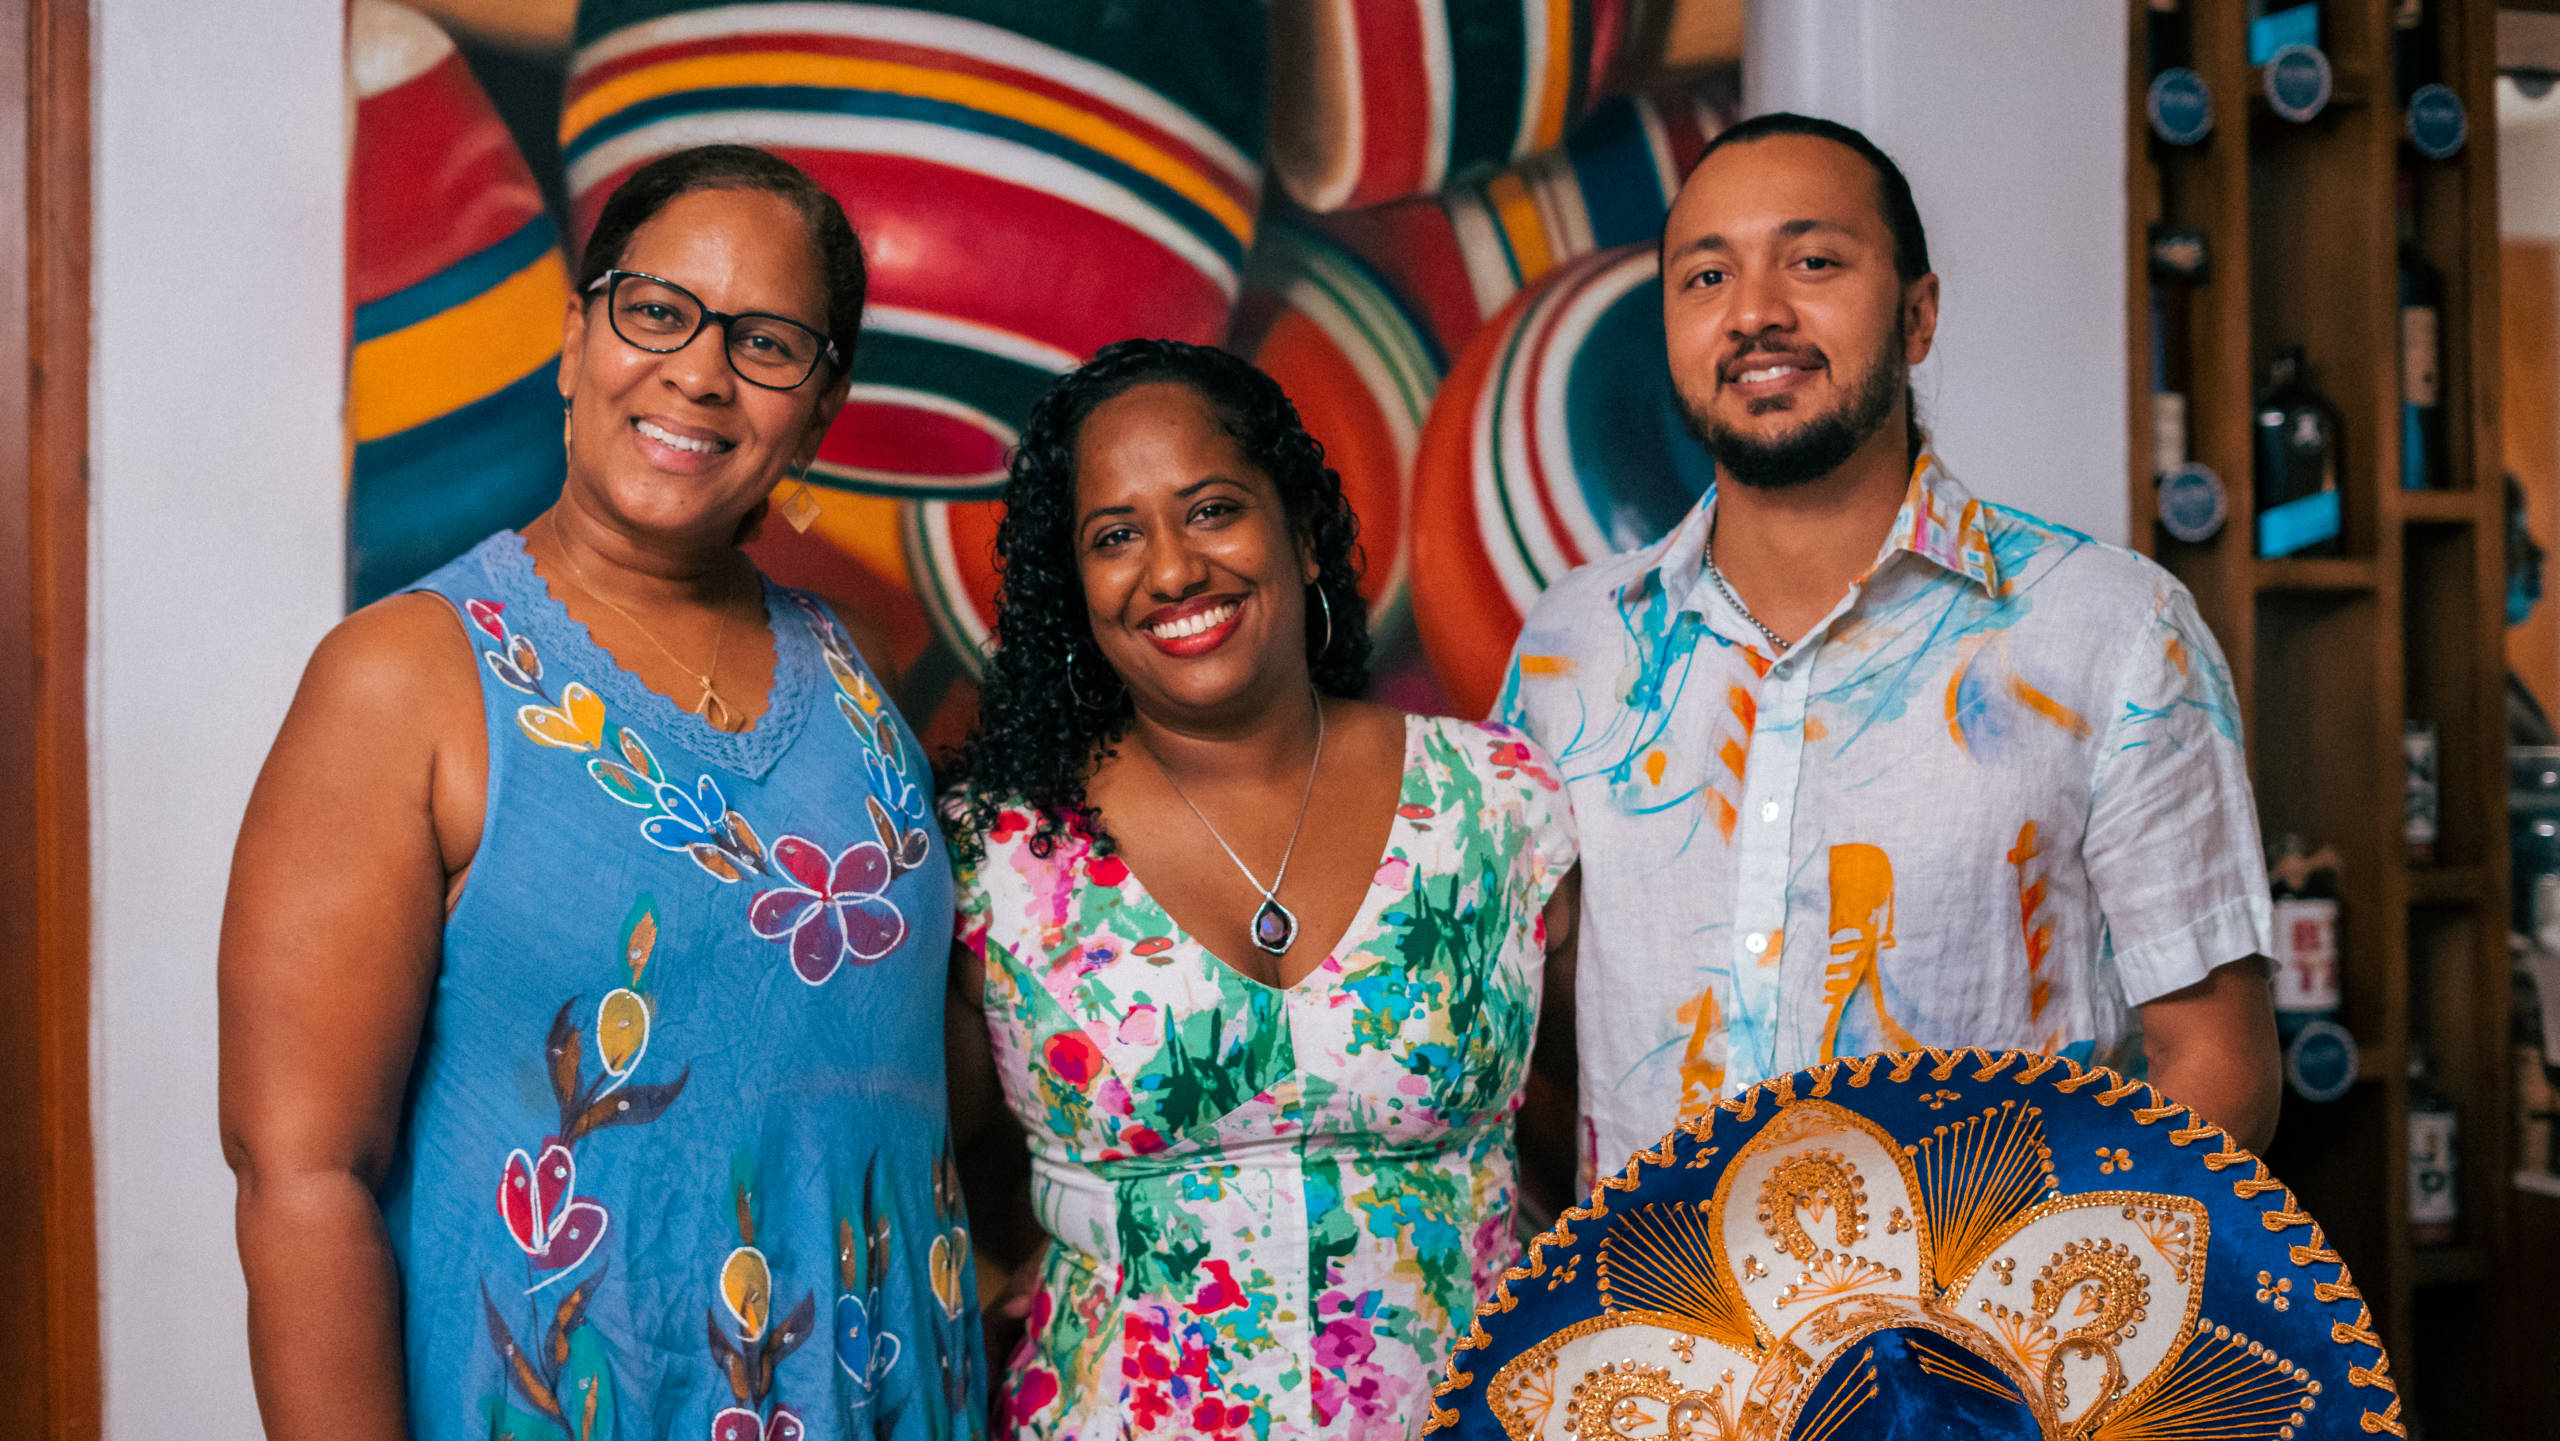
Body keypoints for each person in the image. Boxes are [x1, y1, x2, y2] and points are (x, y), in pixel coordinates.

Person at [220, 145, 985, 1440]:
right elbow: (301, 1175)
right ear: (576, 340)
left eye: (766, 343)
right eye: (657, 310)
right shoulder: (406, 678)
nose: (699, 371)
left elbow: (906, 1074)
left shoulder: (859, 672)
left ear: (821, 410)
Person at [1497, 113, 2282, 1188]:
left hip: (1989, 1292)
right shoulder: (1571, 647)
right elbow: (1519, 1034)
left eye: (1813, 262)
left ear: (1918, 315)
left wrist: (2025, 1284)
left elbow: (2219, 1065)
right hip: (1656, 1296)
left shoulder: (2115, 631)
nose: (1755, 314)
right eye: (1707, 277)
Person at [941, 339, 1579, 1438]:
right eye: (1115, 536)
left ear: (1303, 532)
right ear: (1076, 590)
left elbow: (1605, 1128)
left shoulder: (1496, 801)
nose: (1173, 571)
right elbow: (915, 1163)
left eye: (1212, 510)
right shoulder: (996, 854)